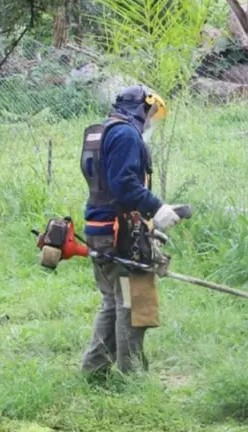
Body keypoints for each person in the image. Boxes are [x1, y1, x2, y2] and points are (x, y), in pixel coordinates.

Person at [79, 85, 184, 376]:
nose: (151, 122)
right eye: (152, 114)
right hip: (120, 232)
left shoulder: (105, 131)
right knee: (134, 302)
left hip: (100, 229)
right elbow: (124, 185)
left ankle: (95, 370)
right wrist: (156, 208)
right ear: (141, 108)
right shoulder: (125, 135)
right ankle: (132, 375)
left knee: (113, 301)